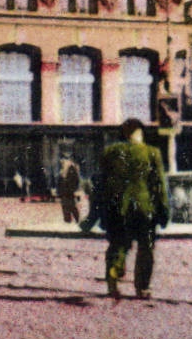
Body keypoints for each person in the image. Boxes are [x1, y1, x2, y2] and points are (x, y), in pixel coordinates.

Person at [99, 118, 169, 299]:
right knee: (146, 248)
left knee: (118, 247)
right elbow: (159, 185)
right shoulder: (152, 153)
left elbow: (101, 185)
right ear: (140, 133)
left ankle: (113, 282)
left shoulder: (110, 152)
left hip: (118, 209)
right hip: (145, 210)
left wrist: (100, 212)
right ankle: (143, 287)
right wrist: (164, 211)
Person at [58, 156, 82, 224]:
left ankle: (74, 221)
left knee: (70, 207)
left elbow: (75, 182)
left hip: (69, 192)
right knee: (67, 208)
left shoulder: (71, 169)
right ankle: (70, 221)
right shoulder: (64, 170)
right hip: (66, 192)